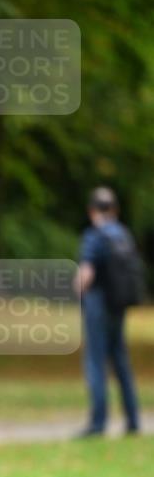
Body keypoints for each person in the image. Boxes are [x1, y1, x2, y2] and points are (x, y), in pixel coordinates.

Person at [74, 186, 141, 438]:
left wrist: (77, 290)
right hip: (119, 306)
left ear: (91, 210)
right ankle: (133, 419)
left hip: (98, 306)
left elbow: (86, 275)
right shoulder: (123, 234)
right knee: (121, 361)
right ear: (115, 209)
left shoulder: (95, 236)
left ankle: (98, 423)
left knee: (95, 362)